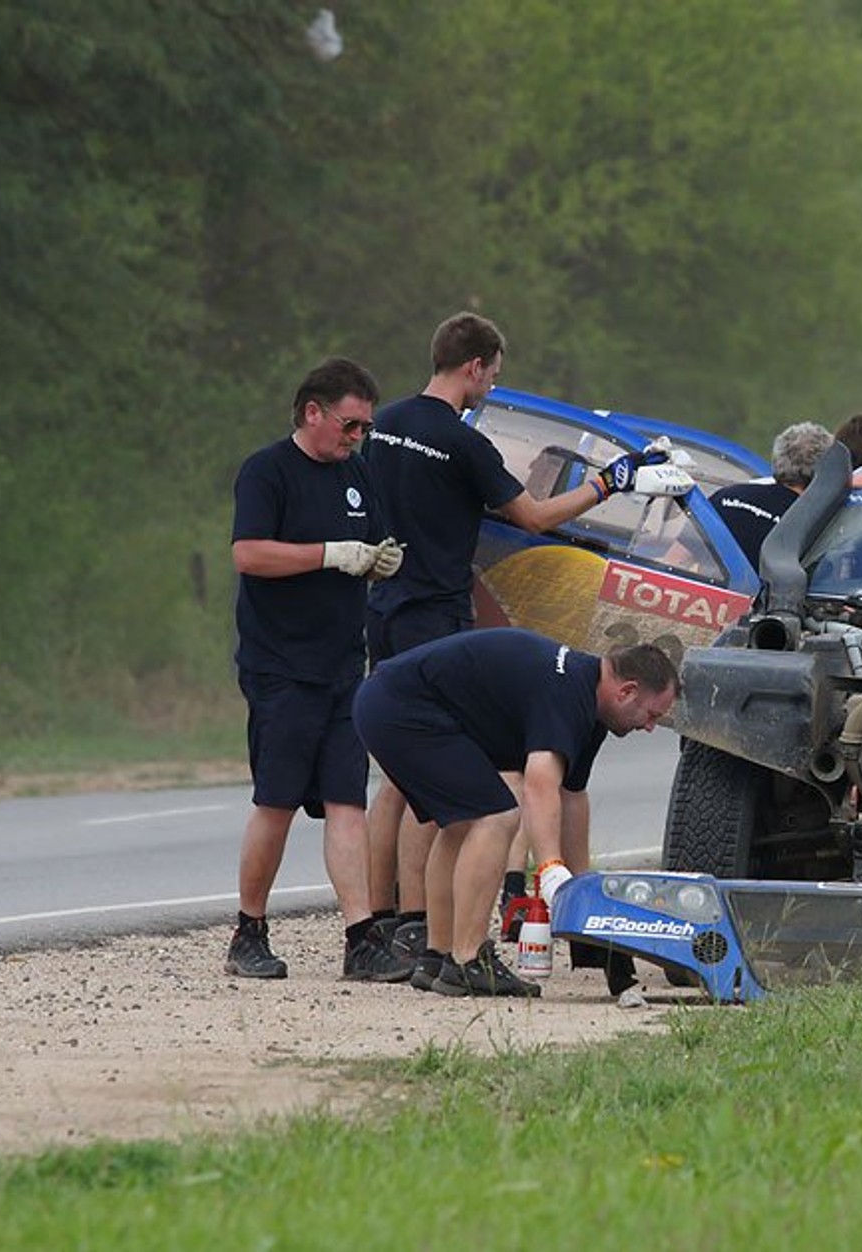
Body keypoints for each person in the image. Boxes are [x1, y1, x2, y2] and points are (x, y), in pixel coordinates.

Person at [362, 312, 673, 987]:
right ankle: (436, 936)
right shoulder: (462, 441)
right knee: (462, 801)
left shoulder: (384, 424)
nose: (491, 389)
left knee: (399, 780)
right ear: (474, 367)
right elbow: (531, 517)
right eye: (493, 377)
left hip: (382, 603)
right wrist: (609, 483)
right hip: (435, 609)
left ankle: (388, 925)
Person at [353, 630, 679, 997]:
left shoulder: (591, 704)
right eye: (652, 715)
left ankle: (437, 957)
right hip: (399, 706)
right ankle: (468, 960)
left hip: (391, 702)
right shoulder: (568, 691)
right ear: (627, 691)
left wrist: (583, 897)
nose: (650, 727)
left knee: (463, 826)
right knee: (497, 816)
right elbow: (539, 785)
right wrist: (550, 868)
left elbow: (571, 798)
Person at [226, 357, 409, 981]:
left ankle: (360, 937)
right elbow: (249, 554)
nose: (357, 437)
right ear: (313, 413)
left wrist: (380, 560)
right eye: (349, 425)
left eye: (365, 428)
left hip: (343, 665)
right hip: (281, 666)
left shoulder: (357, 473)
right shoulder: (267, 471)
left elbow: (372, 543)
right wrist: (329, 554)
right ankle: (248, 932)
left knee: (347, 802)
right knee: (276, 800)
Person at [709, 421, 834, 569]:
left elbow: (685, 551)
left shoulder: (726, 496)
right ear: (825, 471)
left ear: (778, 457)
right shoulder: (814, 529)